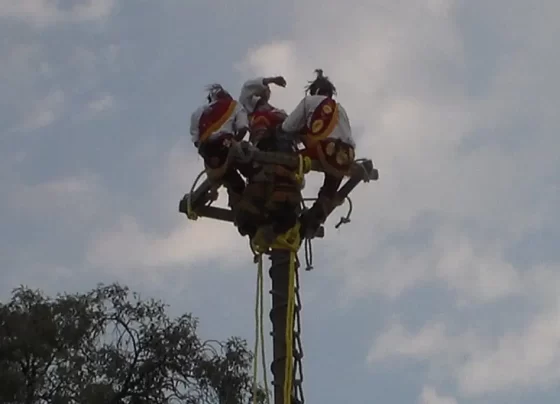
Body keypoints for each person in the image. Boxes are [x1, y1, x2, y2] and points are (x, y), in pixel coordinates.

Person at [280, 69, 356, 238]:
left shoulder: (309, 101)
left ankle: (286, 204)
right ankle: (316, 215)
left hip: (324, 149)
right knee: (329, 190)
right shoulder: (340, 109)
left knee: (286, 163)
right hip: (346, 155)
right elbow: (349, 139)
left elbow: (287, 127)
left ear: (315, 91)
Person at [235, 76, 304, 247]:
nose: (266, 91)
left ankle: (277, 225)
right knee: (260, 192)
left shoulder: (280, 113)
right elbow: (247, 89)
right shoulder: (250, 110)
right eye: (262, 90)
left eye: (267, 90)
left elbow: (297, 133)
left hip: (285, 156)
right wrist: (270, 80)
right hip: (263, 154)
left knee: (286, 197)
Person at [190, 83, 253, 212]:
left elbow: (196, 141)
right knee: (251, 166)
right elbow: (242, 129)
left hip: (207, 154)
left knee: (231, 181)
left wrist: (211, 156)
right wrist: (231, 144)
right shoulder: (234, 105)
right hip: (226, 145)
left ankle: (237, 205)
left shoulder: (197, 112)